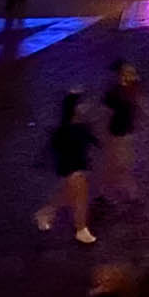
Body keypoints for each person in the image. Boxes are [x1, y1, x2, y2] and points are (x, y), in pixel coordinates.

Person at [36, 91, 99, 244]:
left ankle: (45, 213)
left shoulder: (82, 127)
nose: (85, 107)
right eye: (81, 105)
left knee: (67, 196)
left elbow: (93, 142)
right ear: (74, 108)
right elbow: (59, 149)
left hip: (79, 167)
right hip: (71, 168)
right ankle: (81, 229)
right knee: (80, 197)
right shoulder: (66, 130)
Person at [100, 60, 141, 204]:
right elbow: (109, 102)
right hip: (119, 132)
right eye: (126, 73)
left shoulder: (128, 90)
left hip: (122, 132)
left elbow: (110, 102)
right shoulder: (121, 91)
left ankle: (117, 192)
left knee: (119, 164)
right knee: (119, 164)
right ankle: (122, 192)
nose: (130, 75)